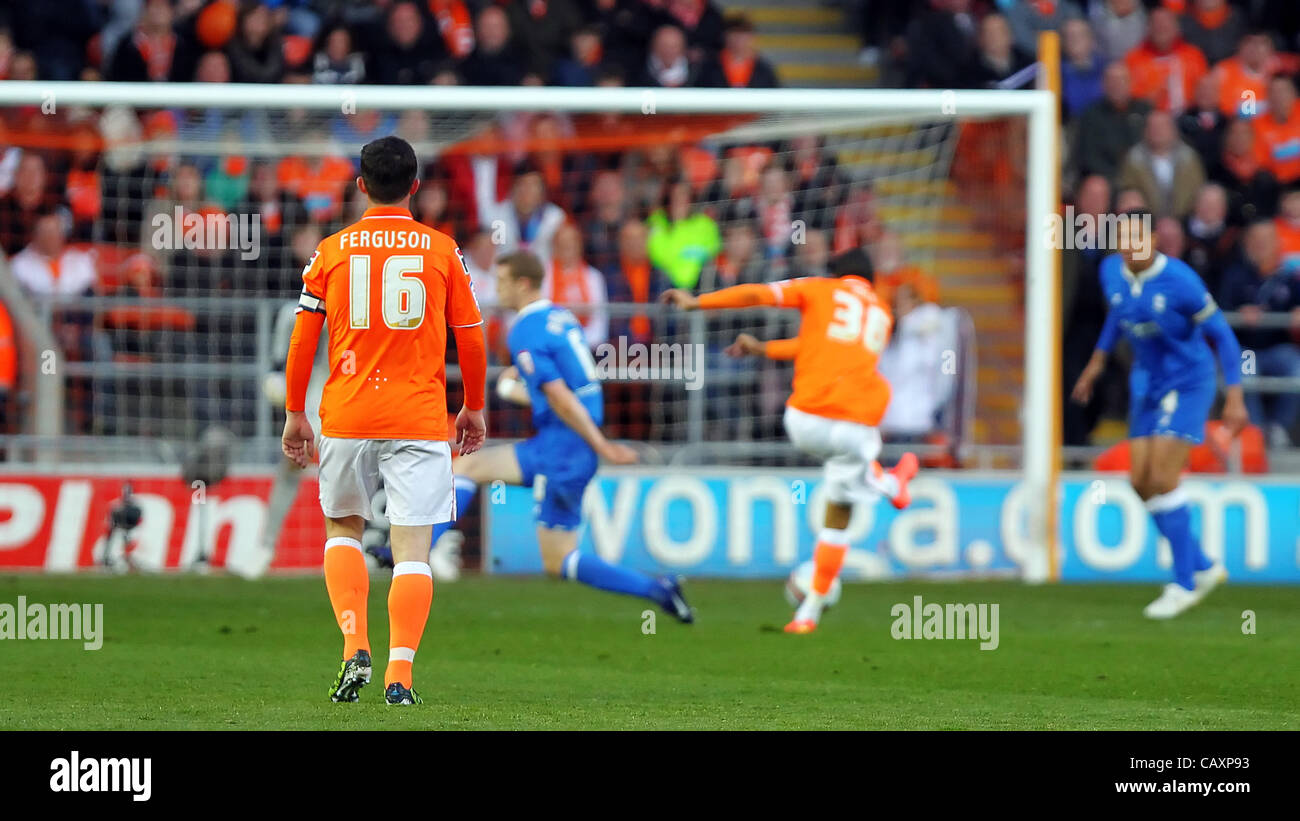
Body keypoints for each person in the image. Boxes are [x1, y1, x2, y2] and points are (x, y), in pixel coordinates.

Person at [281, 136, 488, 706]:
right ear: (416, 187)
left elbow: (304, 339)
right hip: (419, 417)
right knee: (412, 549)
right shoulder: (443, 251)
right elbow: (470, 337)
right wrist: (473, 405)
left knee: (343, 528)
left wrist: (295, 411)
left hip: (347, 414)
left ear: (360, 185)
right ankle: (400, 676)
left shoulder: (332, 250)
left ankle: (354, 648)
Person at [661, 250, 918, 634]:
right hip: (856, 426)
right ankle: (889, 482)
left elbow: (757, 295)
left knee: (838, 516)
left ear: (835, 274)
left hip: (804, 422)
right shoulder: (882, 314)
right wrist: (766, 349)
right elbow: (823, 348)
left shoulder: (820, 289)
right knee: (853, 471)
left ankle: (807, 615)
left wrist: (699, 301)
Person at [444, 250, 696, 623]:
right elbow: (559, 393)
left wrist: (601, 444)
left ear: (523, 284)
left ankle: (658, 590)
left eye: (502, 282)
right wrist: (513, 390)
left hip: (564, 447)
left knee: (553, 554)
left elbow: (561, 397)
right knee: (471, 470)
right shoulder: (560, 317)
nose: (496, 291)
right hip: (563, 442)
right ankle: (658, 590)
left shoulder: (525, 330)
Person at [1071, 211, 1248, 619]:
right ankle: (1203, 564)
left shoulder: (1182, 281)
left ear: (1153, 239)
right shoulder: (1110, 272)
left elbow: (1222, 334)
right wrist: (1096, 362)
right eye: (1124, 239)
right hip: (1146, 383)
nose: (1131, 246)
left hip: (1188, 382)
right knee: (1139, 481)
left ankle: (1183, 582)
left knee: (1163, 478)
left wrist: (1235, 396)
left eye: (1138, 238)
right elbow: (1118, 312)